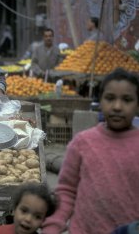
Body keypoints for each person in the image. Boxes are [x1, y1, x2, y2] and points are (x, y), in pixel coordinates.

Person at [41, 68, 139, 234]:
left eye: (127, 100)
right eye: (109, 98)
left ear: (138, 105)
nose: (117, 106)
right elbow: (66, 190)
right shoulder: (82, 143)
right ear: (99, 102)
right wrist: (53, 225)